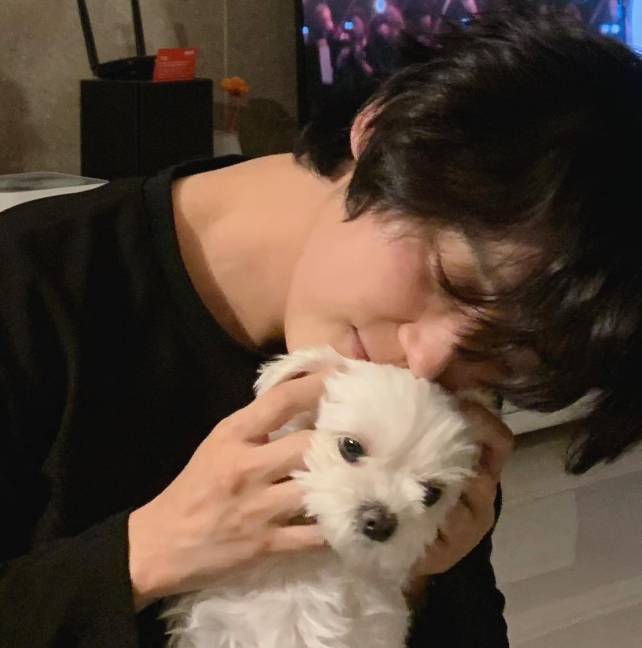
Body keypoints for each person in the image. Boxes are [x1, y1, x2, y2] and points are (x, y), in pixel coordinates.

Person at [2, 8, 642, 648]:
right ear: (385, 130)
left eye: (506, 352)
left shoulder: (442, 394)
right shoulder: (28, 287)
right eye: (450, 277)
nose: (425, 362)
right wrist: (146, 553)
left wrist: (419, 576)